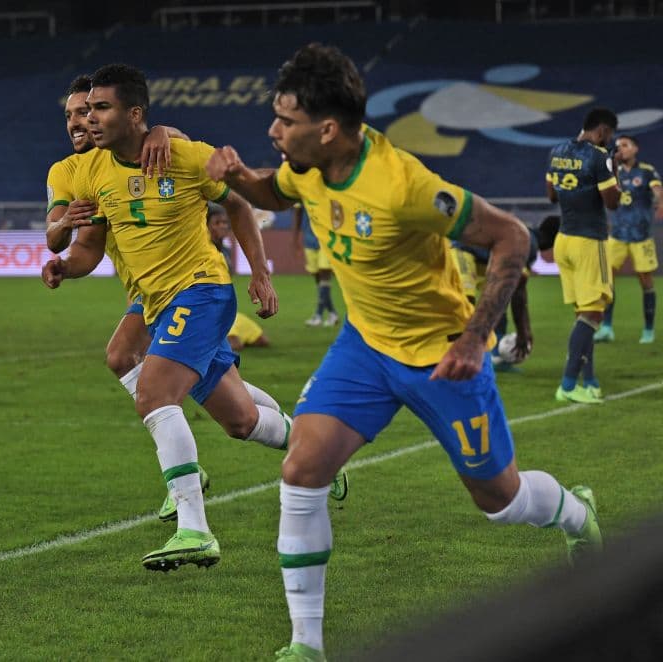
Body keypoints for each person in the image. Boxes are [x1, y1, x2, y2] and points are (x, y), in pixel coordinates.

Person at [206, 43, 602, 662]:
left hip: (441, 357)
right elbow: (275, 193)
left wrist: (474, 337)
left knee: (498, 501)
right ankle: (306, 645)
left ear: (327, 129)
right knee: (302, 469)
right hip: (364, 348)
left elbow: (511, 236)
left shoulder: (404, 186)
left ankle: (577, 514)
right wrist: (236, 176)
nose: (273, 131)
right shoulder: (307, 167)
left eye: (285, 120)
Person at [44, 75, 340, 524]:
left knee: (145, 379)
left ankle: (189, 510)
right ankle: (308, 446)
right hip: (148, 293)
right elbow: (78, 244)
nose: (80, 122)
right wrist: (63, 253)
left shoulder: (157, 149)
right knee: (239, 419)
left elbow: (194, 160)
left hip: (193, 286)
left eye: (89, 111)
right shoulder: (73, 172)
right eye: (72, 115)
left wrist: (163, 131)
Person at [546, 108, 620, 403]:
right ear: (602, 131)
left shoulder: (556, 152)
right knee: (593, 314)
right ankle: (567, 385)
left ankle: (589, 381)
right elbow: (612, 202)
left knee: (583, 315)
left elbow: (551, 195)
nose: (609, 140)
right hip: (589, 241)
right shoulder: (599, 157)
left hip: (563, 239)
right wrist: (612, 168)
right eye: (609, 135)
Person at [450, 216, 559, 369]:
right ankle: (456, 356)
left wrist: (524, 330)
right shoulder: (527, 243)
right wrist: (523, 331)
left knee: (499, 301)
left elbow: (514, 290)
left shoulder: (525, 236)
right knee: (465, 306)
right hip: (464, 252)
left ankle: (496, 357)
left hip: (480, 259)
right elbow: (519, 294)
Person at [595, 134, 660, 344]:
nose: (620, 149)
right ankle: (606, 328)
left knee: (646, 282)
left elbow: (658, 191)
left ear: (635, 149)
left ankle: (648, 330)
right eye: (618, 146)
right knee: (607, 281)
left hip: (641, 236)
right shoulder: (613, 172)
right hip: (617, 235)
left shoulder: (647, 171)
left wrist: (659, 201)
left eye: (625, 145)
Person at [207, 204, 271, 351]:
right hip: (209, 311)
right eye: (217, 223)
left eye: (225, 222)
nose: (222, 226)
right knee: (235, 344)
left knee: (262, 340)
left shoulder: (226, 251)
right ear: (206, 226)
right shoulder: (204, 252)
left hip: (227, 311)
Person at [291, 202, 339, 327]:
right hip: (309, 240)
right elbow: (297, 214)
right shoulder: (302, 194)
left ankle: (318, 315)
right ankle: (332, 313)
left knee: (324, 275)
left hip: (327, 241)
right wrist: (295, 239)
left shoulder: (329, 193)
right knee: (319, 280)